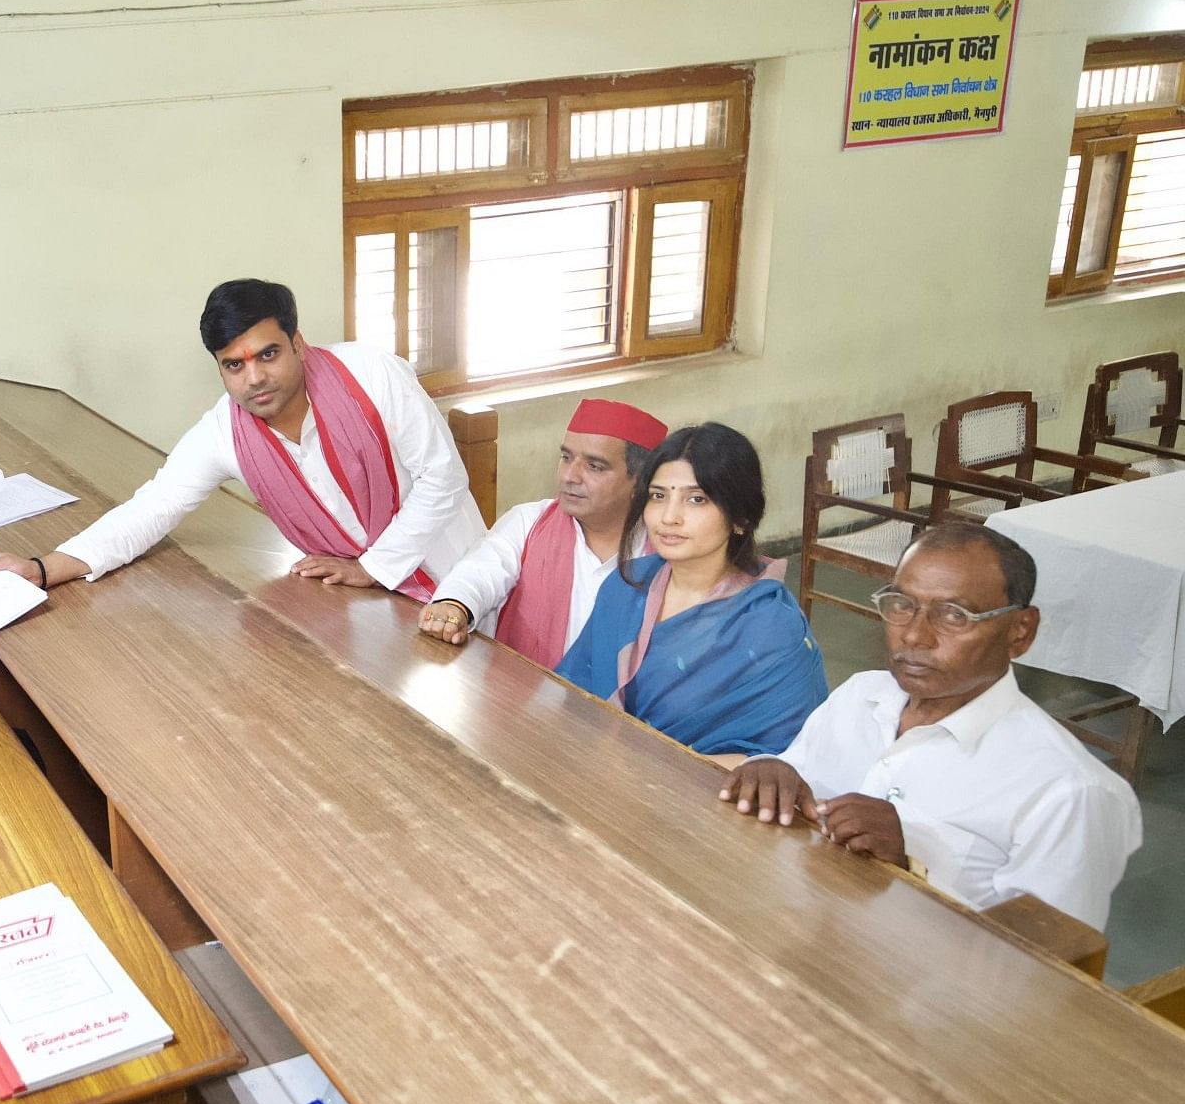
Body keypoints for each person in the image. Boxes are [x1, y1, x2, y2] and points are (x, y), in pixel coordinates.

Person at [719, 524, 1140, 930]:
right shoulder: (859, 697)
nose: (915, 636)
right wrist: (772, 769)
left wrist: (913, 868)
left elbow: (1047, 975)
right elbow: (798, 781)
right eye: (902, 606)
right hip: (793, 938)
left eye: (954, 616)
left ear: (1020, 631)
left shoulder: (1068, 792)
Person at [0, 279, 482, 599]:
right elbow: (154, 507)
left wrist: (374, 566)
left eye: (268, 354)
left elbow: (444, 476)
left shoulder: (372, 374)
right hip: (357, 598)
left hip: (453, 569)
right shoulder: (225, 431)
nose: (254, 378)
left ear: (299, 344)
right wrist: (43, 569)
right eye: (234, 365)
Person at [556, 422, 827, 755]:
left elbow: (786, 761)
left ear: (741, 516)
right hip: (588, 773)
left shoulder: (771, 630)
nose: (669, 517)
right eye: (658, 496)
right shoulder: (627, 585)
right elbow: (572, 694)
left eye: (696, 499)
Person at [419, 398, 667, 664]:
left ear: (640, 481)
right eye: (566, 457)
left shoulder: (668, 549)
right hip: (527, 700)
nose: (569, 476)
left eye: (594, 466)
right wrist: (454, 605)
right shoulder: (530, 521)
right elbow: (479, 571)